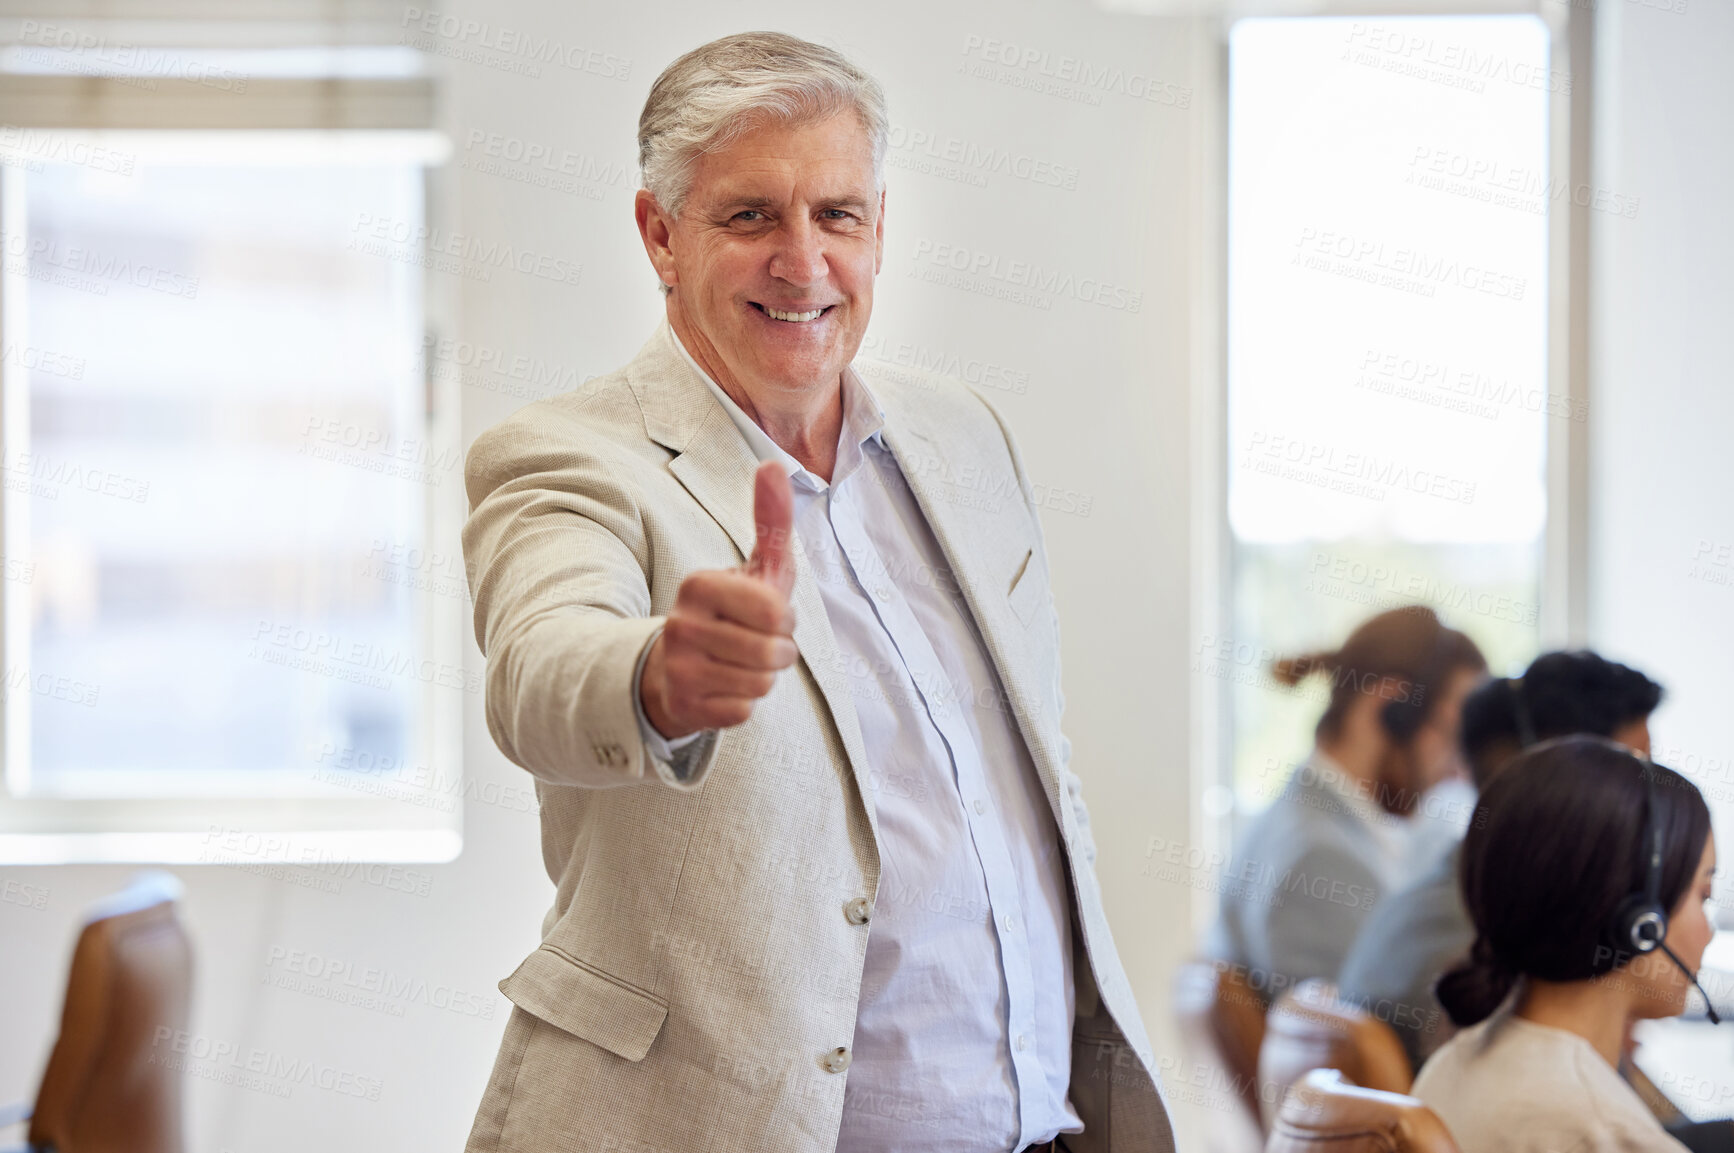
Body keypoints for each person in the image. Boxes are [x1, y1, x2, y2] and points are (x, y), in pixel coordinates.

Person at [459, 31, 1172, 1153]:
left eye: (837, 214)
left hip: (1043, 1129)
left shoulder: (963, 434)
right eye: (750, 218)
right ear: (659, 234)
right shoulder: (567, 456)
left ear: (880, 227)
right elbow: (541, 670)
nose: (804, 263)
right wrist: (658, 677)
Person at [1337, 650, 1664, 1069]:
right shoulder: (1484, 961)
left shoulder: (1440, 900)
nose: (1656, 812)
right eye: (1638, 781)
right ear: (1557, 782)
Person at [1410, 737, 1717, 1153]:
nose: (1709, 931)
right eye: (1703, 895)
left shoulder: (1453, 1061)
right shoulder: (1598, 1129)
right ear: (1640, 922)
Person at [1203, 606, 1485, 999]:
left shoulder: (1291, 823)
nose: (1460, 771)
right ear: (1390, 706)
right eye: (1454, 735)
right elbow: (1393, 1037)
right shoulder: (1321, 859)